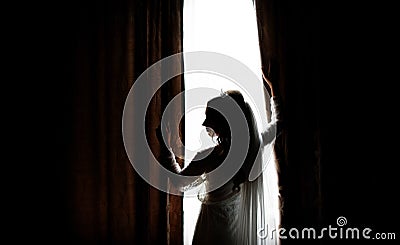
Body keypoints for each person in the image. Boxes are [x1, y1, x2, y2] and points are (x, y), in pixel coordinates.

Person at [157, 70, 280, 245]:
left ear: (222, 122)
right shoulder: (252, 148)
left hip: (211, 230)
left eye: (209, 116)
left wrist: (165, 147)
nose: (203, 123)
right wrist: (274, 88)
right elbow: (278, 124)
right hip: (236, 233)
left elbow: (179, 182)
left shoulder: (210, 157)